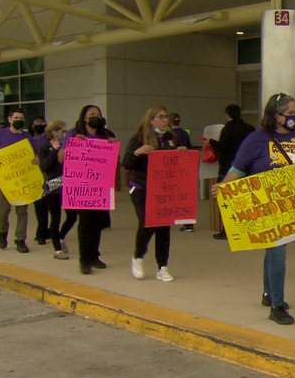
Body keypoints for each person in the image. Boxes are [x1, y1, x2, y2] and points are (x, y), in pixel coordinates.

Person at [212, 93, 295, 325]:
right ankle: (278, 305)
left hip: (290, 206)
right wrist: (224, 186)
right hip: (267, 207)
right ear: (275, 115)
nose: (293, 117)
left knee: (274, 252)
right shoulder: (255, 139)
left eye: (294, 113)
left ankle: (269, 294)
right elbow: (238, 168)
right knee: (278, 252)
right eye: (288, 113)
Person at [123, 105, 189, 283]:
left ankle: (162, 266)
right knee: (146, 223)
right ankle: (138, 256)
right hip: (142, 188)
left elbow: (176, 162)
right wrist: (137, 153)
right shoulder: (139, 138)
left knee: (163, 228)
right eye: (160, 117)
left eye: (166, 117)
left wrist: (181, 153)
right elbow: (126, 162)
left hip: (163, 190)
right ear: (151, 119)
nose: (165, 120)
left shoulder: (171, 137)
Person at [59, 105, 118, 275]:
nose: (95, 117)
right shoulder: (73, 134)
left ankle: (94, 255)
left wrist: (113, 145)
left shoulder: (106, 134)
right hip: (81, 186)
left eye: (98, 115)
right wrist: (73, 145)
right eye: (91, 114)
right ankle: (84, 260)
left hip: (100, 186)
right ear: (84, 117)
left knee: (98, 222)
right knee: (85, 222)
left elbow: (113, 159)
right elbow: (61, 158)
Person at [0, 107, 34, 253]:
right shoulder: (0, 134)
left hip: (22, 181)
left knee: (22, 212)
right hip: (5, 182)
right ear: (9, 119)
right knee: (3, 211)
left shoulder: (27, 138)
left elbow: (34, 156)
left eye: (21, 119)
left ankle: (20, 240)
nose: (18, 121)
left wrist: (36, 161)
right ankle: (2, 234)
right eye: (16, 118)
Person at [210, 104, 255, 240]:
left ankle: (227, 229)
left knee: (226, 201)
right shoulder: (249, 128)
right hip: (246, 168)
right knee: (245, 201)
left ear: (228, 115)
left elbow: (222, 147)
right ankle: (247, 227)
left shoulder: (227, 129)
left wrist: (210, 142)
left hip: (227, 167)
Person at [38, 120, 78, 260]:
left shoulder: (67, 146)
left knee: (73, 216)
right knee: (55, 218)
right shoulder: (44, 147)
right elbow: (44, 167)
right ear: (54, 132)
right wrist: (54, 150)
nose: (65, 133)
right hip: (53, 188)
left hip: (67, 186)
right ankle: (57, 249)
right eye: (62, 131)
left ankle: (61, 236)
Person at [167, 113, 194, 232]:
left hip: (175, 168)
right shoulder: (184, 133)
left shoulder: (170, 135)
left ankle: (181, 220)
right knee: (185, 195)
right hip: (186, 167)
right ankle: (188, 222)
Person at [29, 116, 50, 246]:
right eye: (36, 123)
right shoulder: (28, 140)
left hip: (47, 176)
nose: (39, 125)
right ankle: (42, 231)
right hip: (32, 177)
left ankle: (43, 231)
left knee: (47, 205)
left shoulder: (47, 140)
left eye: (42, 123)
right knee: (39, 205)